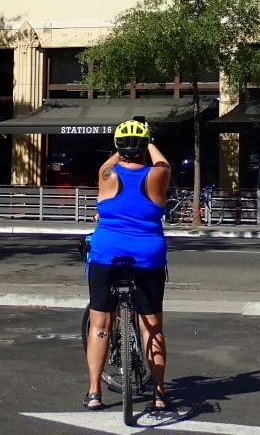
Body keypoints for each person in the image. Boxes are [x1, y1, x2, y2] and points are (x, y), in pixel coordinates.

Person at [83, 119, 171, 411]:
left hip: (107, 253)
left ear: (118, 148)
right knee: (152, 327)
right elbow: (163, 162)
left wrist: (120, 150)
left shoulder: (106, 173)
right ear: (145, 146)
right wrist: (150, 141)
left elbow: (113, 161)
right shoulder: (158, 174)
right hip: (147, 256)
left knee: (99, 325)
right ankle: (159, 394)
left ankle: (94, 393)